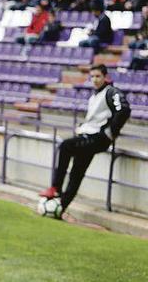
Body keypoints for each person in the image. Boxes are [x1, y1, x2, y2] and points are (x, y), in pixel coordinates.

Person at [40, 64, 130, 213]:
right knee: (77, 172)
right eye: (92, 76)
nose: (95, 79)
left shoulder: (111, 92)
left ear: (105, 77)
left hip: (97, 138)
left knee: (65, 146)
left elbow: (124, 110)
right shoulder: (95, 95)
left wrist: (110, 133)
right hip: (88, 137)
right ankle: (61, 207)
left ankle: (55, 187)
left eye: (98, 76)